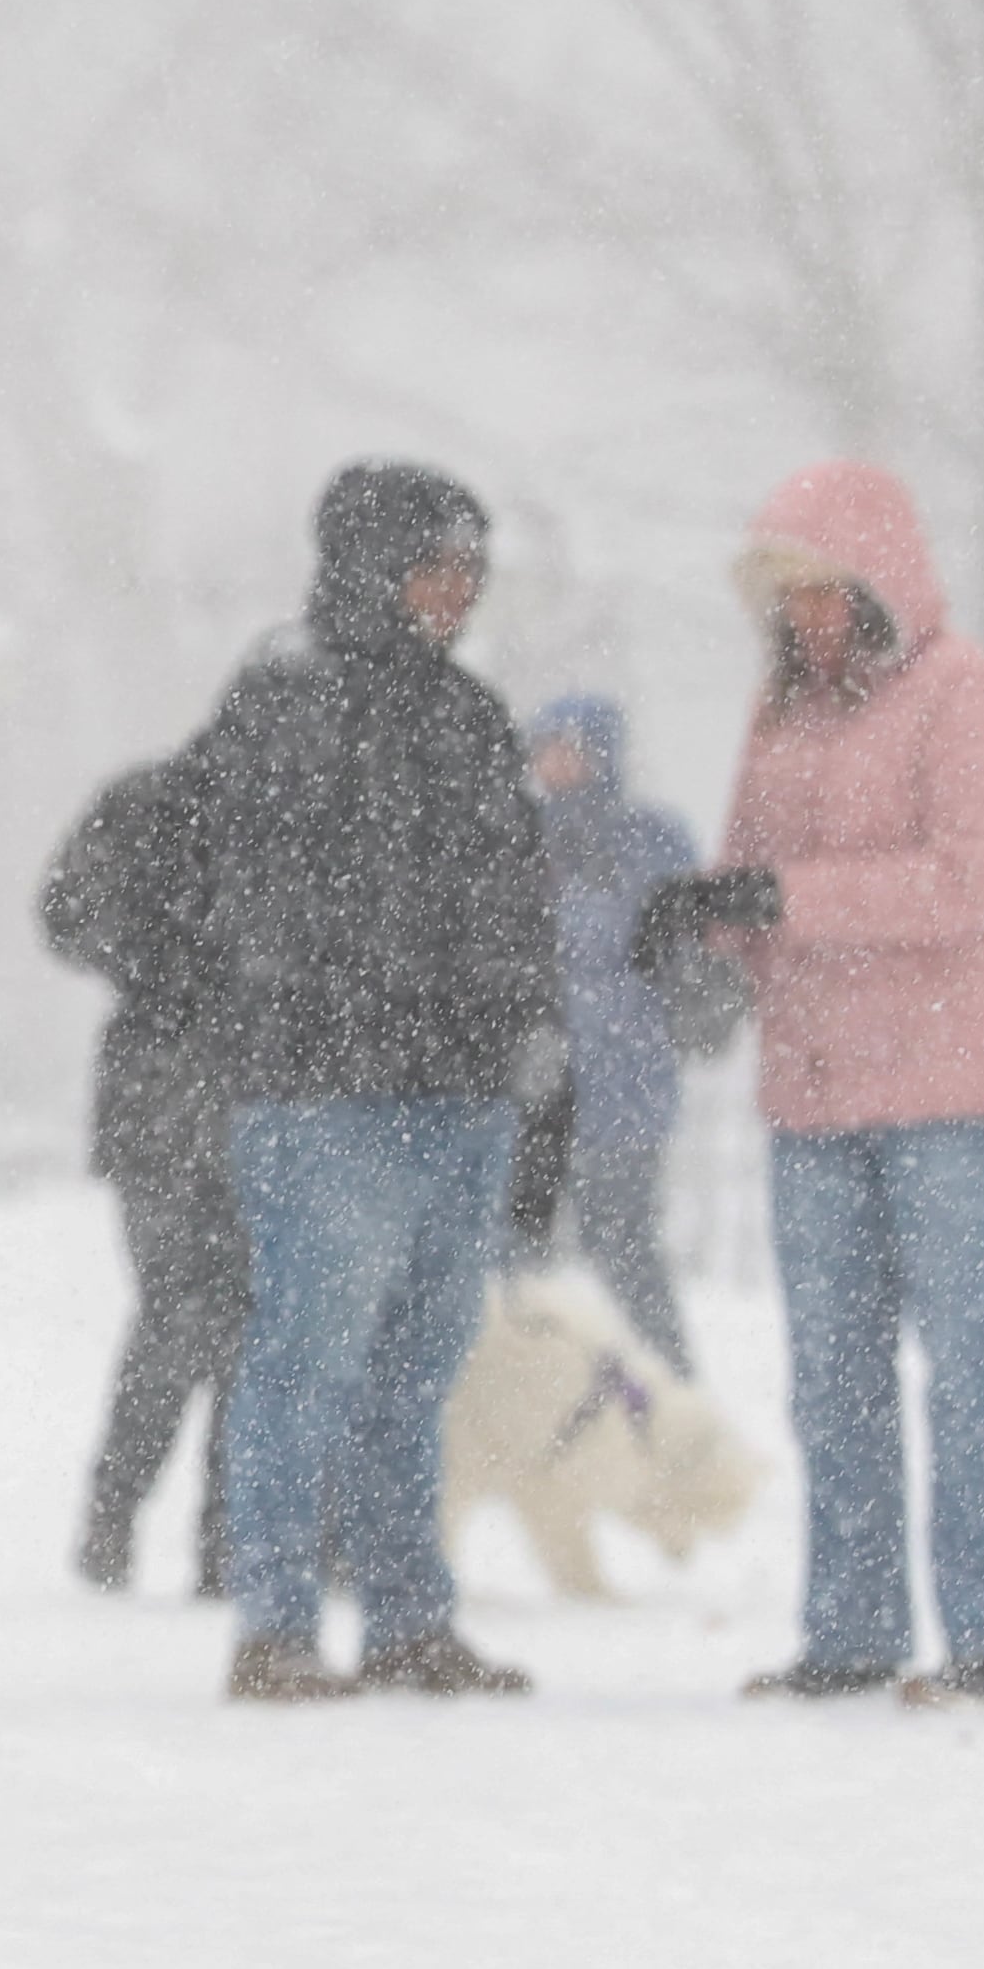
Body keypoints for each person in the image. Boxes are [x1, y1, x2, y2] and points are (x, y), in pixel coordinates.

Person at [645, 461, 984, 1706]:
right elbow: (755, 874)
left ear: (881, 585)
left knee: (971, 1358)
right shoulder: (782, 717)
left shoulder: (964, 697)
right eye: (787, 602)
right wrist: (702, 932)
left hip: (957, 1090)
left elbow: (968, 880)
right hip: (818, 1091)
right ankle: (851, 1629)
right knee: (831, 1373)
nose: (808, 621)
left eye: (827, 595)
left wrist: (783, 901)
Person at [193, 463, 566, 1702]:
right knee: (307, 1359)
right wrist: (311, 991)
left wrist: (527, 1060)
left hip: (456, 1093)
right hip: (326, 1091)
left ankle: (409, 1616)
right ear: (369, 567)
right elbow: (223, 883)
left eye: (468, 572)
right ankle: (277, 1622)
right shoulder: (281, 704)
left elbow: (516, 902)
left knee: (417, 1370)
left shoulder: (467, 716)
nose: (453, 595)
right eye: (431, 568)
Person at [39, 747, 238, 1597]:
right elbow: (68, 912)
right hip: (223, 1092)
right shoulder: (264, 806)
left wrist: (150, 959)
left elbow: (64, 913)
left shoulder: (146, 798)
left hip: (166, 1092)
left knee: (189, 1315)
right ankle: (217, 1534)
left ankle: (127, 1514)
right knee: (215, 1318)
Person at [522, 695, 718, 1370]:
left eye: (570, 746)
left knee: (624, 1251)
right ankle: (526, 1419)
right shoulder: (516, 839)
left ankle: (672, 1407)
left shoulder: (648, 841)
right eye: (544, 748)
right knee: (512, 1267)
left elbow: (682, 952)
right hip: (533, 1101)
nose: (556, 763)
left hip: (622, 1097)